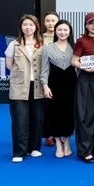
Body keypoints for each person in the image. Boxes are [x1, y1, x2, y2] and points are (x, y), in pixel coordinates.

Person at [6, 14, 45, 163]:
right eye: (25, 25)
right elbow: (9, 64)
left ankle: (33, 148)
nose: (28, 28)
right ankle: (19, 151)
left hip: (38, 86)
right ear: (21, 27)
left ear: (36, 27)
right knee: (20, 120)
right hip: (20, 86)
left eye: (31, 25)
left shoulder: (42, 44)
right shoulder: (14, 44)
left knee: (37, 118)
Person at [71, 12, 94, 164]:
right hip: (87, 80)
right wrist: (85, 68)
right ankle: (84, 150)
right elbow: (74, 61)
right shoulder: (82, 41)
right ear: (86, 25)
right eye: (91, 23)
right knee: (86, 115)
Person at [40, 19, 77, 159]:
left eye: (65, 30)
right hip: (54, 85)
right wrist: (45, 86)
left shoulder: (75, 47)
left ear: (70, 32)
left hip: (72, 84)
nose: (62, 32)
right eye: (60, 30)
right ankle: (58, 145)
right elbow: (44, 69)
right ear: (55, 31)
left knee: (69, 114)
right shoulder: (48, 48)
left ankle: (67, 143)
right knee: (54, 114)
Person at [41, 11, 59, 147]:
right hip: (44, 74)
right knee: (46, 107)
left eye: (53, 21)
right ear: (44, 22)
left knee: (58, 106)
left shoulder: (63, 35)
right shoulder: (39, 38)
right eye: (48, 21)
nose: (50, 23)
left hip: (59, 75)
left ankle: (58, 133)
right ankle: (48, 135)